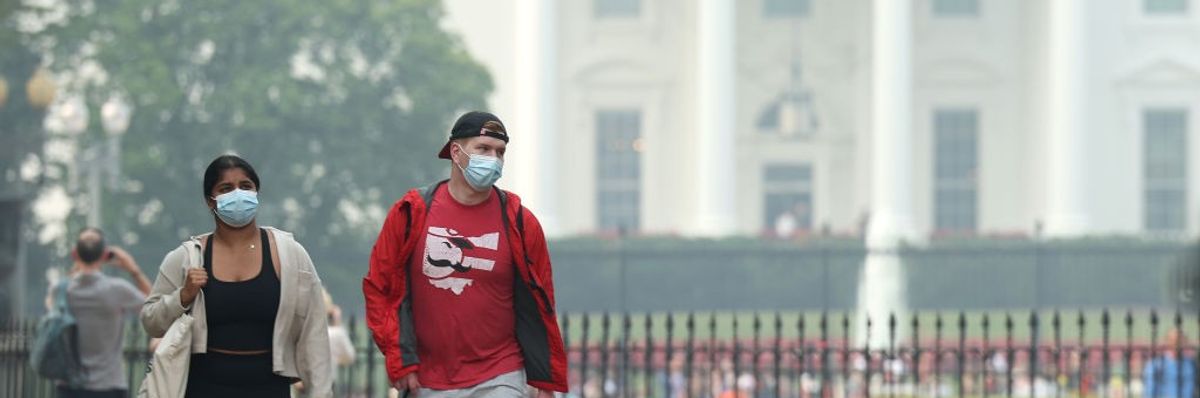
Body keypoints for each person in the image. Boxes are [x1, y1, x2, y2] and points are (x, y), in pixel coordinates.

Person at [363, 111, 568, 397]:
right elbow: (380, 290)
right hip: (427, 378)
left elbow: (542, 301)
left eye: (500, 152)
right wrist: (401, 361)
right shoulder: (410, 213)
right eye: (483, 149)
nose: (494, 159)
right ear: (456, 153)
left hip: (501, 373)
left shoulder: (521, 222)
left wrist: (545, 381)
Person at [141, 154, 331, 397]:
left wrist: (321, 393)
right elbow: (150, 321)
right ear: (210, 201)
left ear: (256, 192)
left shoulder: (290, 254)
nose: (238, 194)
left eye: (246, 186)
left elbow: (314, 333)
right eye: (226, 188)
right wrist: (183, 296)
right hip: (203, 386)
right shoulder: (187, 257)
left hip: (268, 386)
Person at [48, 227, 151, 398]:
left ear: (75, 254)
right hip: (109, 386)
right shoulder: (117, 289)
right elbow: (156, 306)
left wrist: (78, 266)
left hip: (69, 386)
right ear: (104, 255)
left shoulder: (59, 290)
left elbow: (53, 307)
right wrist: (134, 270)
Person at [1142, 328, 1195, 398]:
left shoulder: (1191, 364)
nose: (1177, 344)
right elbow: (1149, 391)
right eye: (1174, 341)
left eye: (1181, 341)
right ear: (1168, 342)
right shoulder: (1155, 365)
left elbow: (1191, 390)